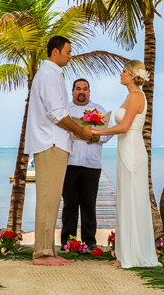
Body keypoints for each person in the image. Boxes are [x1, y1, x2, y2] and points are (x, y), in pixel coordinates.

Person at [25, 36, 91, 266]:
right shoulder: (50, 76)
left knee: (52, 200)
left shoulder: (52, 75)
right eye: (68, 52)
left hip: (55, 143)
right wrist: (81, 132)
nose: (71, 56)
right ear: (55, 52)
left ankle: (49, 251)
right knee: (47, 199)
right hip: (51, 143)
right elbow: (57, 114)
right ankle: (42, 254)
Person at [89, 60, 158, 268]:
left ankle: (131, 256)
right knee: (127, 199)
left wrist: (97, 132)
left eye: (123, 71)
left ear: (131, 75)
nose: (120, 74)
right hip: (127, 148)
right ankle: (127, 252)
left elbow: (124, 127)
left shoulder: (136, 96)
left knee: (132, 199)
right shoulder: (131, 96)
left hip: (132, 149)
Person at [61, 79, 111, 248]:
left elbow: (108, 131)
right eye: (78, 89)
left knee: (89, 205)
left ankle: (89, 242)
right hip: (70, 163)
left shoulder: (99, 110)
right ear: (72, 91)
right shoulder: (65, 110)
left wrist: (99, 137)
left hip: (92, 164)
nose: (81, 92)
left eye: (85, 89)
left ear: (89, 92)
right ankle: (68, 243)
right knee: (69, 204)